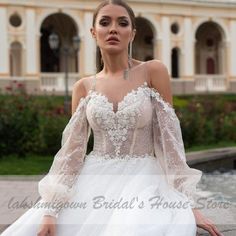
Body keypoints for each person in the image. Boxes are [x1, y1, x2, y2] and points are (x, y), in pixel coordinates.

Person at [2, 0, 223, 236]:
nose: (113, 29)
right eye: (105, 22)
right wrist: (50, 209)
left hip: (145, 180)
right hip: (93, 178)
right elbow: (72, 154)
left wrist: (190, 204)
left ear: (133, 33)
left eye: (123, 23)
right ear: (93, 32)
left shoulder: (153, 71)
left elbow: (170, 143)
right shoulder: (83, 87)